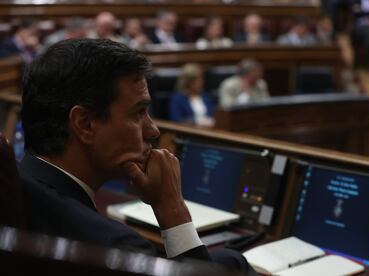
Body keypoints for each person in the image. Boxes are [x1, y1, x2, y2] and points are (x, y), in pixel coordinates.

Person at [18, 38, 254, 274]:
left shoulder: (17, 183)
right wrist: (172, 209)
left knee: (233, 262)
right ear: (85, 124)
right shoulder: (115, 248)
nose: (153, 130)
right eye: (139, 112)